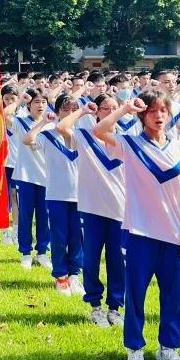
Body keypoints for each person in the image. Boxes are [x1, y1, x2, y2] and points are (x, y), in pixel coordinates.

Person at [94, 92, 180, 360]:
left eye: (163, 110)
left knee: (173, 297)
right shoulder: (130, 144)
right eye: (152, 111)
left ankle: (169, 349)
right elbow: (99, 129)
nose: (159, 116)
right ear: (142, 115)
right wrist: (125, 107)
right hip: (139, 233)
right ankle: (135, 350)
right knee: (135, 295)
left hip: (174, 236)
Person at [57, 95, 126, 327]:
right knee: (92, 260)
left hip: (120, 210)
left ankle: (115, 307)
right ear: (98, 112)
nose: (110, 112)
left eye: (115, 108)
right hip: (92, 208)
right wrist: (83, 111)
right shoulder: (85, 137)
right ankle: (95, 306)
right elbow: (62, 126)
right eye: (105, 108)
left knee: (118, 261)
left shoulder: (127, 140)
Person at [24, 93, 83, 295]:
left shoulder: (84, 135)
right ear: (57, 112)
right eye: (65, 109)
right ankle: (61, 276)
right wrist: (42, 123)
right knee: (59, 237)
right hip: (57, 194)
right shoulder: (48, 135)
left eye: (74, 109)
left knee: (77, 237)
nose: (70, 113)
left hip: (81, 196)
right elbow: (27, 139)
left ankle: (75, 274)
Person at [10, 90, 52, 271]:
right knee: (26, 216)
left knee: (44, 216)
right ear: (29, 105)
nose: (40, 105)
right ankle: (26, 253)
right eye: (36, 102)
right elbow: (3, 115)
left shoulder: (53, 124)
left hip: (47, 178)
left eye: (43, 101)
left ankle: (42, 252)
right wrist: (20, 98)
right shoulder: (20, 121)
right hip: (26, 176)